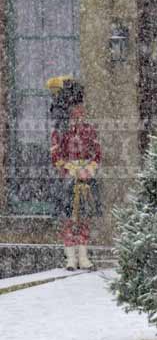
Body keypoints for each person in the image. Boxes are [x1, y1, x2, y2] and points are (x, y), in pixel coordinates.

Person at [46, 76, 102, 270]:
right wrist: (71, 169)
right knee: (69, 219)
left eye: (81, 107)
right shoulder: (60, 131)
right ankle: (70, 257)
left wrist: (89, 169)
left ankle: (84, 256)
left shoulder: (89, 129)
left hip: (86, 177)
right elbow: (55, 155)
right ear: (70, 110)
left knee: (84, 218)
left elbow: (97, 153)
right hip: (68, 178)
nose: (80, 110)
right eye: (77, 107)